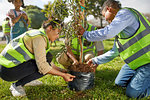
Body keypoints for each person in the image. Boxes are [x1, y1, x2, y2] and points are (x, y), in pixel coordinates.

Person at [78, 0, 150, 99]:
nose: (106, 20)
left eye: (104, 16)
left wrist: (86, 34)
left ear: (109, 9)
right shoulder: (121, 32)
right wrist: (94, 60)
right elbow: (113, 52)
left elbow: (108, 33)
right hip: (134, 64)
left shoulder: (125, 14)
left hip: (147, 62)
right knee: (119, 84)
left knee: (132, 94)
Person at [0, 19, 75, 97]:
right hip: (8, 71)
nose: (58, 36)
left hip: (9, 67)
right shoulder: (39, 38)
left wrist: (62, 71)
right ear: (49, 28)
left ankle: (27, 80)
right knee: (42, 67)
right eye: (57, 33)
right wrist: (63, 75)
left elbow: (46, 61)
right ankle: (16, 85)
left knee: (48, 57)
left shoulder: (39, 34)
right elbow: (43, 67)